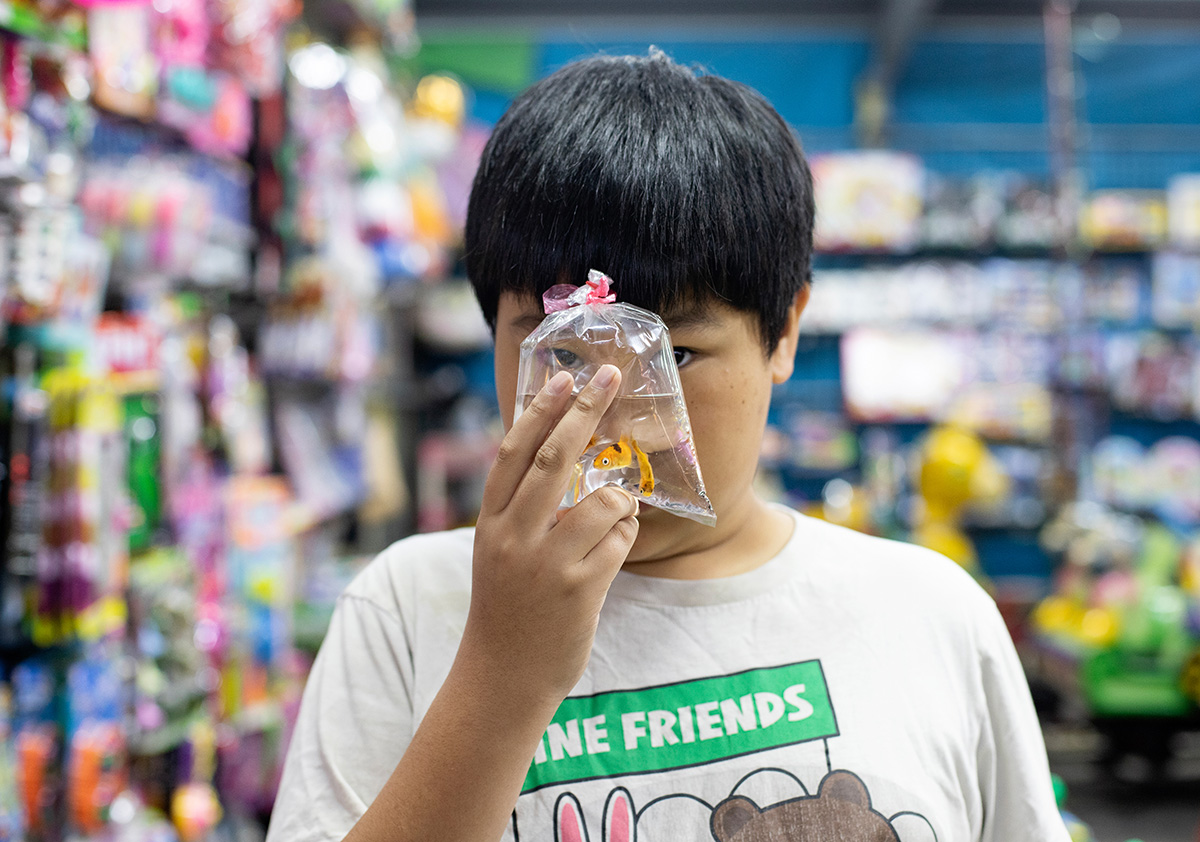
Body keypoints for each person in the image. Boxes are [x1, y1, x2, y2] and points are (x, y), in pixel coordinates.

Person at [266, 51, 1070, 842]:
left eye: (674, 356)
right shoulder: (408, 607)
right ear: (494, 337)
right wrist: (503, 673)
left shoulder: (931, 614)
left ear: (784, 331)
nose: (617, 417)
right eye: (565, 354)